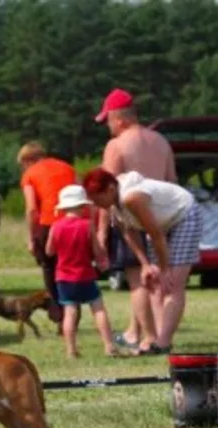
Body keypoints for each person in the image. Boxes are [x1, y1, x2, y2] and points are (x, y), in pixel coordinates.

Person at [83, 168, 202, 354]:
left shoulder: (132, 198)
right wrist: (145, 264)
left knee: (172, 284)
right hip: (162, 223)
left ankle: (163, 343)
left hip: (184, 215)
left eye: (98, 199)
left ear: (111, 189)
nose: (98, 205)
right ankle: (157, 340)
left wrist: (163, 269)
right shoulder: (114, 205)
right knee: (154, 284)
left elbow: (155, 235)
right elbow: (129, 232)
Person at [95, 89, 177, 353]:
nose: (107, 126)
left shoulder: (116, 146)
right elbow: (172, 183)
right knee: (158, 279)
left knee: (138, 282)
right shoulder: (161, 142)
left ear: (119, 119)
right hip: (161, 218)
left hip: (131, 217)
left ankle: (149, 338)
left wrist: (100, 232)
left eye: (107, 120)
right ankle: (138, 331)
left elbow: (105, 192)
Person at [45, 185, 116, 358]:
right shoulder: (87, 225)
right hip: (85, 274)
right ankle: (108, 346)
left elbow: (49, 251)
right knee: (98, 309)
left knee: (70, 312)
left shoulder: (56, 226)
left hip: (63, 277)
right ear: (82, 205)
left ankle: (71, 350)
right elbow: (97, 250)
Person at [18, 141, 79, 326]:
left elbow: (31, 210)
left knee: (50, 269)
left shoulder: (30, 174)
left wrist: (31, 237)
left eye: (23, 165)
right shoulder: (68, 168)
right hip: (75, 223)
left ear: (29, 160)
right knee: (73, 268)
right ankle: (74, 314)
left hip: (49, 224)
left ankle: (59, 314)